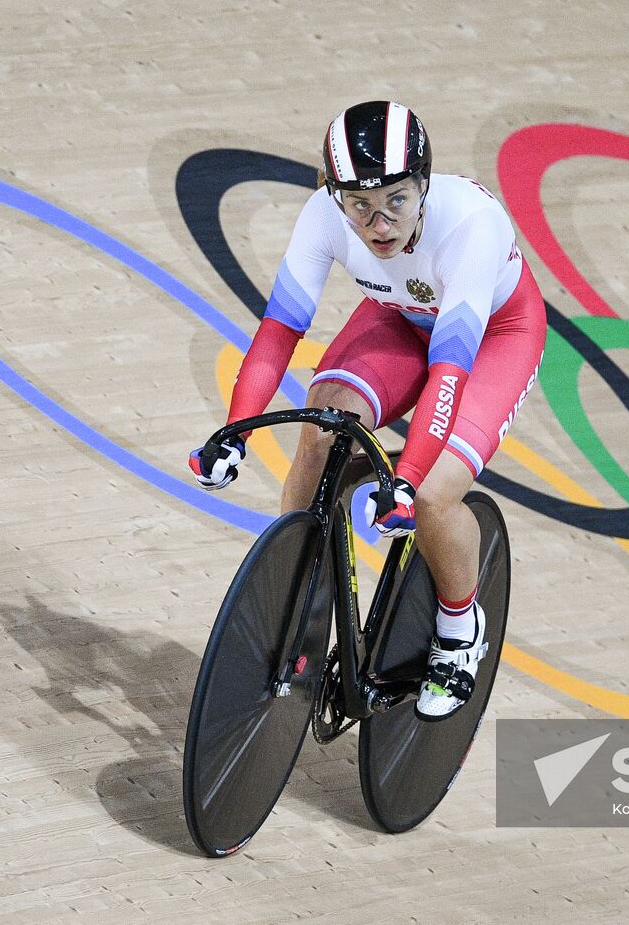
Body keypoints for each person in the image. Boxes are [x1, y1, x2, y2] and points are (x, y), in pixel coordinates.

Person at [190, 100, 545, 720]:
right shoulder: (323, 217)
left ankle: (460, 630)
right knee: (323, 422)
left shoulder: (469, 228)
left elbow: (449, 371)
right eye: (361, 206)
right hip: (401, 317)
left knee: (434, 492)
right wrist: (233, 431)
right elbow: (278, 331)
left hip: (493, 339)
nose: (380, 225)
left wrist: (404, 483)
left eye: (398, 202)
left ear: (424, 187)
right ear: (334, 195)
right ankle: (294, 593)